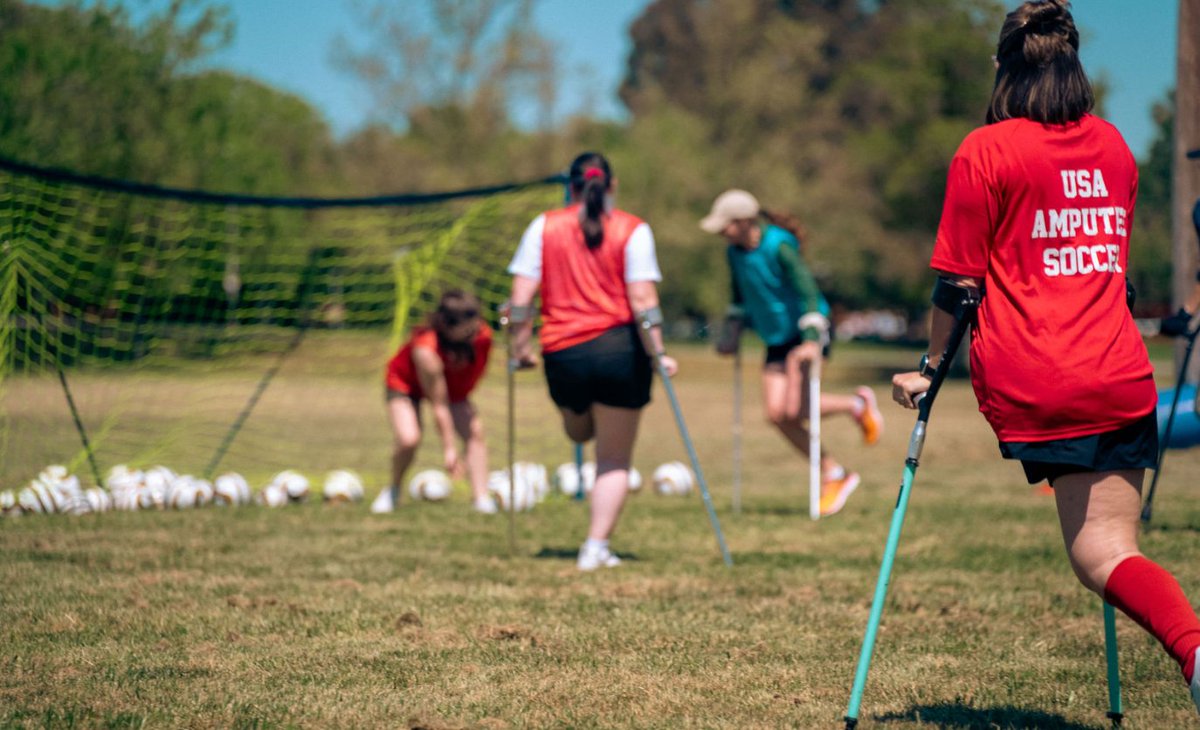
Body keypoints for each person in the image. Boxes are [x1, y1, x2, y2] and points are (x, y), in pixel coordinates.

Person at [891, 0, 1200, 714]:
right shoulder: (1117, 147)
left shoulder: (986, 150)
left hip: (1041, 377)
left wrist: (930, 367)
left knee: (1092, 556)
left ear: (1005, 67)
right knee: (1116, 551)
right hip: (1120, 373)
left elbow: (958, 284)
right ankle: (1191, 651)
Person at [507, 151, 675, 571]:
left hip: (562, 353)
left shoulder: (542, 226)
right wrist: (659, 352)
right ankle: (595, 547)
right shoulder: (633, 229)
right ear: (611, 186)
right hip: (619, 352)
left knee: (578, 429)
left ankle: (578, 415)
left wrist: (519, 349)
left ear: (572, 187)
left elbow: (520, 299)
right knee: (613, 458)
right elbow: (643, 300)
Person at [701, 189, 883, 517]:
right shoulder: (734, 252)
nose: (721, 233)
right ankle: (834, 472)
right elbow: (739, 296)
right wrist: (731, 333)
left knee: (795, 408)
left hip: (806, 330)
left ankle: (855, 406)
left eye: (725, 226)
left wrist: (812, 339)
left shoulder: (779, 245)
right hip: (776, 337)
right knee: (776, 415)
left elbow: (808, 292)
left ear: (744, 222)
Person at [372, 289, 497, 515]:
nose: (475, 330)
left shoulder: (482, 334)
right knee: (409, 438)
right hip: (405, 385)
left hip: (452, 388)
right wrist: (449, 449)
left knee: (475, 433)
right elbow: (439, 404)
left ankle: (481, 498)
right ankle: (393, 489)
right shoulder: (425, 348)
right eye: (468, 327)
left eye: (476, 323)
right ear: (447, 325)